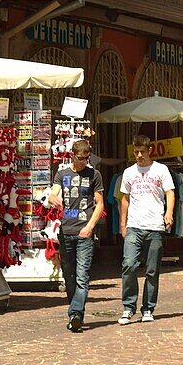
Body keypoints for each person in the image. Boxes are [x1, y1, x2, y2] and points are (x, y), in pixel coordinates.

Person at [49, 139, 104, 333]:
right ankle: (75, 313)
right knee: (69, 276)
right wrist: (52, 198)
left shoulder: (94, 174)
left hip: (84, 232)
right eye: (80, 158)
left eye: (86, 158)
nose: (83, 162)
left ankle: (76, 313)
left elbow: (100, 204)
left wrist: (89, 227)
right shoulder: (62, 173)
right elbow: (53, 193)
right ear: (72, 155)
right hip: (66, 231)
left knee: (83, 276)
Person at [118, 136, 175, 325]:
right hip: (134, 225)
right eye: (136, 152)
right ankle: (128, 306)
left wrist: (169, 213)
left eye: (142, 152)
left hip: (155, 226)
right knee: (129, 264)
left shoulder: (161, 170)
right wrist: (122, 224)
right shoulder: (128, 172)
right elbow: (124, 199)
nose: (139, 155)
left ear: (150, 150)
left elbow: (170, 192)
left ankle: (148, 308)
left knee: (152, 270)